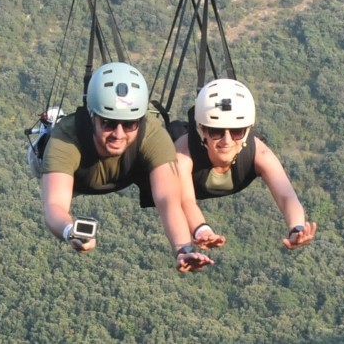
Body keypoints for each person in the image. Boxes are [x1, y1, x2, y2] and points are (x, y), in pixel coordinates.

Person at [37, 61, 213, 272]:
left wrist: (182, 249)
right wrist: (70, 231)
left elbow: (168, 200)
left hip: (130, 171)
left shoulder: (153, 135)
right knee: (43, 154)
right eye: (108, 123)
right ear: (92, 117)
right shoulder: (66, 138)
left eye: (129, 124)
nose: (119, 134)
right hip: (80, 177)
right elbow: (54, 206)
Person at [174, 78, 317, 251]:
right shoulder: (183, 153)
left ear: (247, 130)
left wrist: (297, 228)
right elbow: (186, 200)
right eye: (216, 131)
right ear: (202, 130)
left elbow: (286, 195)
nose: (227, 141)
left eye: (236, 131)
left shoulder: (258, 153)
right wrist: (202, 230)